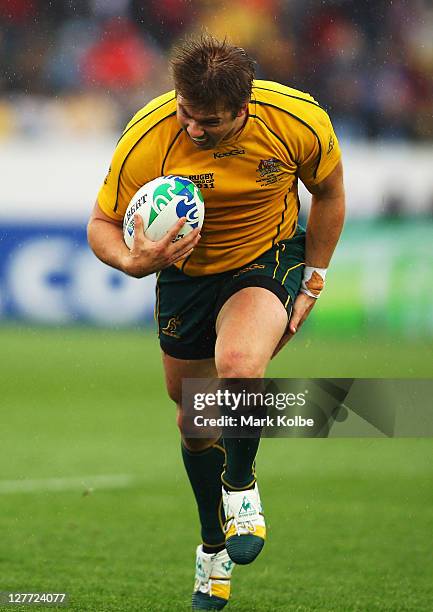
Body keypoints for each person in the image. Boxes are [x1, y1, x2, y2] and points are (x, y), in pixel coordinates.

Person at [87, 34, 345, 611]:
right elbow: (101, 222)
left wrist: (315, 277)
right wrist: (132, 261)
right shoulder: (149, 136)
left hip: (267, 257)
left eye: (209, 121)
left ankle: (242, 487)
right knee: (193, 417)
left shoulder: (298, 121)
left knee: (238, 367)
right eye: (185, 112)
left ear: (244, 108)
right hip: (187, 277)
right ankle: (212, 548)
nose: (193, 128)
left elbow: (329, 190)